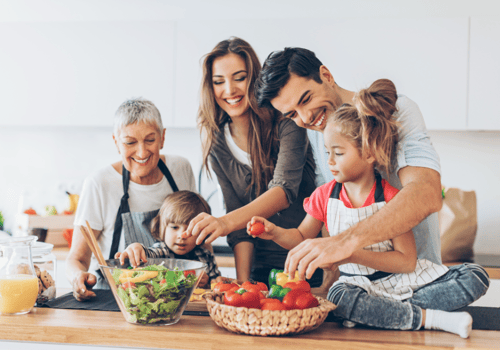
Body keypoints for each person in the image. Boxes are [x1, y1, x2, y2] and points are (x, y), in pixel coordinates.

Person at [249, 79, 489, 338]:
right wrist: (274, 232)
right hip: (357, 287)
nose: (329, 161)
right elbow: (300, 237)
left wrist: (350, 253)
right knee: (341, 297)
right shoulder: (324, 196)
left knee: (475, 276)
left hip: (401, 282)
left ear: (369, 153)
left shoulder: (392, 199)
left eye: (338, 153)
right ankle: (428, 318)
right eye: (327, 151)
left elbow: (407, 262)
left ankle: (379, 314)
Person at [183, 37, 322, 286]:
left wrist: (223, 223)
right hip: (260, 269)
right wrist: (244, 285)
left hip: (308, 263)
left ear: (255, 80)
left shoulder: (288, 121)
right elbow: (238, 226)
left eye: (239, 78)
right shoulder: (217, 143)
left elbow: (283, 191)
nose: (229, 90)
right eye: (219, 82)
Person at [66, 98, 197, 301]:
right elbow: (77, 258)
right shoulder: (99, 183)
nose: (142, 152)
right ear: (116, 142)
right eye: (130, 142)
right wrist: (77, 277)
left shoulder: (180, 169)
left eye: (150, 140)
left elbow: (199, 236)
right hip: (114, 300)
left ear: (162, 138)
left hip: (173, 298)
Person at [115, 191, 221, 288]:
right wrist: (137, 248)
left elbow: (216, 284)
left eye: (190, 230)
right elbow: (148, 254)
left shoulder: (206, 256)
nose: (182, 236)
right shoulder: (161, 251)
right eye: (174, 227)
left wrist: (208, 282)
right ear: (162, 229)